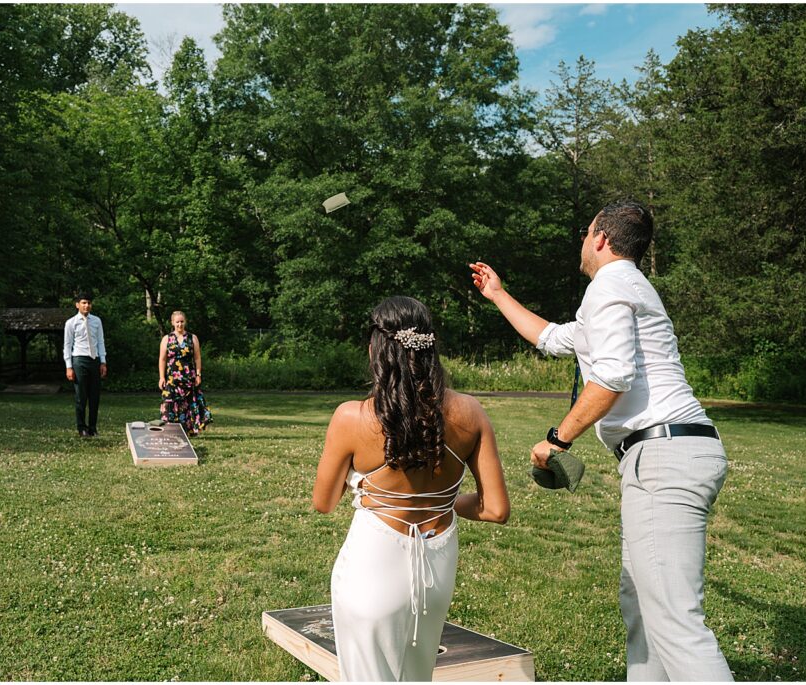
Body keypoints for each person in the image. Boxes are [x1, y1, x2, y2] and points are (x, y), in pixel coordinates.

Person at [469, 200, 733, 681]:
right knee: (641, 610)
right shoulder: (623, 289)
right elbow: (551, 337)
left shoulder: (610, 285)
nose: (582, 241)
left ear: (601, 239)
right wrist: (498, 295)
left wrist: (558, 439)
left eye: (585, 232)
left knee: (675, 622)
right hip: (666, 454)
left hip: (663, 455)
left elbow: (612, 376)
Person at [312, 296, 510, 682]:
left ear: (377, 348)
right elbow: (495, 509)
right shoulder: (470, 412)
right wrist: (444, 502)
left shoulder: (351, 417)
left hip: (371, 566)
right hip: (436, 567)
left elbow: (324, 502)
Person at [158, 310, 212, 436]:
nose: (180, 324)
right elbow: (162, 359)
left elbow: (197, 358)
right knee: (169, 403)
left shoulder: (192, 338)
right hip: (172, 378)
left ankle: (189, 430)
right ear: (172, 323)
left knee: (188, 404)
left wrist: (198, 374)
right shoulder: (167, 339)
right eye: (177, 322)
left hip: (189, 378)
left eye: (182, 321)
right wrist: (161, 377)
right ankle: (170, 429)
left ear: (185, 322)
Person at [63, 293, 107, 437]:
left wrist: (103, 361)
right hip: (79, 360)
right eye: (83, 303)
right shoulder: (71, 323)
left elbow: (100, 341)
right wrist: (69, 366)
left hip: (94, 360)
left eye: (88, 303)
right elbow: (67, 345)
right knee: (81, 396)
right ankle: (82, 427)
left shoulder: (97, 321)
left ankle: (92, 428)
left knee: (94, 396)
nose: (86, 305)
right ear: (77, 305)